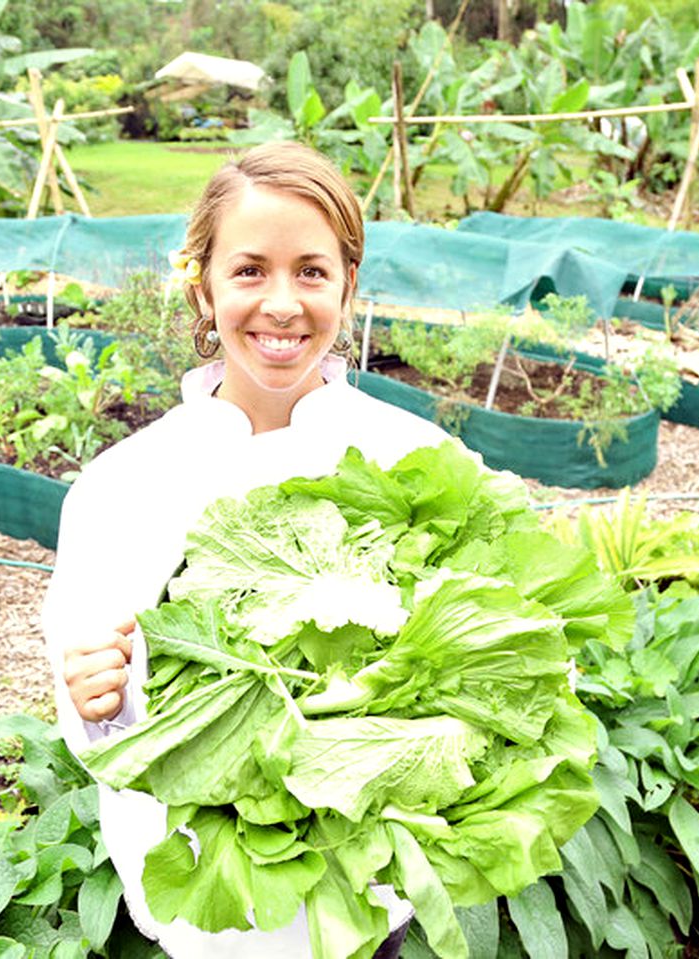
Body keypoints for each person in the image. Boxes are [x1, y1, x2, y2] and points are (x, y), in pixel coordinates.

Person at [42, 141, 460, 958]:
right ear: (201, 283)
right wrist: (96, 695)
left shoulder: (414, 457)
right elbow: (92, 698)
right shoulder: (122, 484)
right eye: (248, 271)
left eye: (311, 271)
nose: (282, 303)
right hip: (213, 895)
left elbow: (492, 639)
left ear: (348, 286)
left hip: (363, 891)